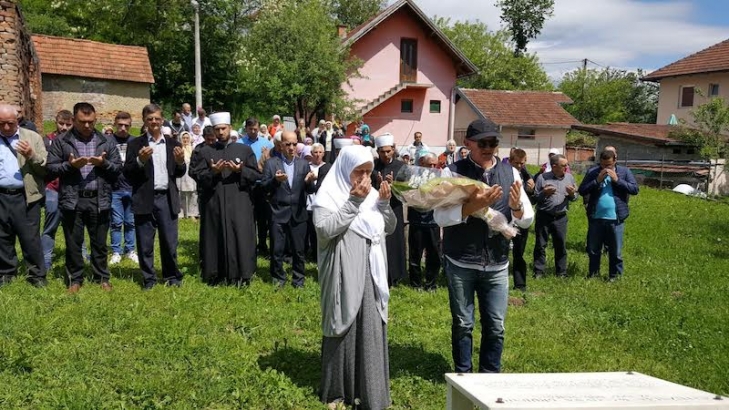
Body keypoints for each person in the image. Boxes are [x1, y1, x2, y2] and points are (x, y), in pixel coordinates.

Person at [434, 118, 533, 373]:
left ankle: (490, 378)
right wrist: (471, 207)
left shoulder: (510, 172)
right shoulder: (452, 172)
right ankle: (463, 376)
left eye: (493, 142)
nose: (489, 147)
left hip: (497, 263)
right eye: (483, 142)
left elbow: (526, 219)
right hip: (461, 261)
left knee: (496, 326)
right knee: (463, 324)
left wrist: (516, 208)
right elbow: (440, 217)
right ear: (468, 143)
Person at [314, 145, 396, 410]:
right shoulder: (330, 195)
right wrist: (353, 202)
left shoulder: (372, 195)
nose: (364, 178)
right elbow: (325, 229)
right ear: (344, 169)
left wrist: (383, 204)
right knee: (342, 321)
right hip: (343, 270)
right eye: (358, 171)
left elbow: (390, 227)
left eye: (368, 172)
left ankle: (369, 389)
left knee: (370, 325)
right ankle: (337, 391)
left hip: (372, 271)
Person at [46, 102, 122, 293]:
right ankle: (75, 279)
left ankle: (102, 277)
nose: (87, 125)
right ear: (74, 120)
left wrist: (103, 163)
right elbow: (51, 168)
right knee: (73, 242)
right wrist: (71, 166)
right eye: (82, 122)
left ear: (95, 119)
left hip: (99, 198)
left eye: (90, 121)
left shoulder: (106, 141)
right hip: (73, 199)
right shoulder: (62, 141)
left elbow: (118, 169)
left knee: (99, 242)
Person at [190, 112, 261, 286]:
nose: (221, 132)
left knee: (240, 235)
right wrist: (213, 172)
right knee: (215, 235)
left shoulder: (244, 150)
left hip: (239, 202)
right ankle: (216, 274)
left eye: (223, 128)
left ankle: (243, 274)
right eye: (217, 129)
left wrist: (240, 171)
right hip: (214, 202)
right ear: (213, 131)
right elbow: (197, 175)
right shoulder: (205, 151)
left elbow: (255, 175)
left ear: (230, 128)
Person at [123, 103, 187, 289]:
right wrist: (139, 161)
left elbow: (180, 172)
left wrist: (181, 161)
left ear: (162, 120)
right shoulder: (135, 144)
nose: (154, 122)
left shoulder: (173, 144)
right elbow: (127, 173)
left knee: (169, 242)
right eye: (150, 119)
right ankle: (149, 279)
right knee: (145, 243)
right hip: (144, 198)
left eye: (157, 118)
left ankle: (172, 277)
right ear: (144, 121)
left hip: (166, 198)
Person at [262, 131, 317, 288]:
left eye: (294, 144)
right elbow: (263, 187)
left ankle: (298, 279)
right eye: (288, 144)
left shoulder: (303, 164)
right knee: (277, 249)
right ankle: (278, 278)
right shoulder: (271, 164)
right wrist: (275, 181)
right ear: (280, 145)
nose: (292, 148)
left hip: (298, 213)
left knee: (299, 250)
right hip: (278, 212)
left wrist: (309, 182)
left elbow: (311, 189)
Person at [0, 104, 47, 287]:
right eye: (1, 123)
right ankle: (5, 273)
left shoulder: (32, 137)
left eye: (9, 123)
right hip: (1, 196)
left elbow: (44, 168)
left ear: (17, 120)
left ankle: (36, 276)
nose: (5, 128)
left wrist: (31, 155)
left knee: (30, 238)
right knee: (2, 237)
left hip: (26, 196)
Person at [579, 149, 639, 281]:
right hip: (596, 217)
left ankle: (615, 276)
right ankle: (593, 274)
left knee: (615, 251)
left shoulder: (624, 172)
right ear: (600, 162)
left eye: (609, 165)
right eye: (603, 165)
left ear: (615, 161)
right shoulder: (593, 172)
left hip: (616, 218)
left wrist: (617, 180)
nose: (606, 168)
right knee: (594, 250)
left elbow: (634, 189)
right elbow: (582, 190)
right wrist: (597, 180)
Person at [533, 154, 577, 279]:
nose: (566, 167)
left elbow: (575, 197)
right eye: (564, 165)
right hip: (544, 216)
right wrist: (544, 193)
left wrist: (572, 194)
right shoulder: (542, 178)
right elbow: (535, 198)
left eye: (566, 165)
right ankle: (539, 271)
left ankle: (561, 272)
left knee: (560, 245)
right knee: (540, 245)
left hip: (561, 217)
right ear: (554, 166)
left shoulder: (570, 178)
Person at [371, 133, 407, 287]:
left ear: (393, 149)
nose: (385, 155)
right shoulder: (372, 166)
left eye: (388, 151)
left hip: (395, 208)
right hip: (376, 210)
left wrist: (395, 184)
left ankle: (396, 275)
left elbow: (406, 192)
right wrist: (377, 184)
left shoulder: (401, 167)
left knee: (394, 241)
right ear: (377, 152)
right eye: (382, 152)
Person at [41, 109, 73, 271]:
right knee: (51, 223)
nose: (65, 127)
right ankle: (45, 258)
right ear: (56, 122)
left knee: (75, 225)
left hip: (72, 189)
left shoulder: (76, 140)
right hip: (52, 188)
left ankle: (79, 255)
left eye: (68, 124)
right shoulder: (47, 140)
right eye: (62, 123)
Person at [239, 117, 275, 256]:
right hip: (246, 184)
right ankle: (249, 244)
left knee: (262, 217)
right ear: (246, 129)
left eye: (256, 129)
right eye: (251, 129)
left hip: (261, 185)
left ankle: (262, 244)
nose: (253, 132)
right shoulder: (240, 143)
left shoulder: (267, 143)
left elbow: (271, 163)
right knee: (248, 216)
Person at [408, 152, 442, 290]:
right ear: (422, 164)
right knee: (415, 255)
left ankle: (431, 284)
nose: (432, 167)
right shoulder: (414, 177)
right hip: (417, 221)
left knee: (434, 254)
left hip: (433, 221)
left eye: (435, 164)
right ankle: (415, 284)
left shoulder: (440, 178)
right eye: (430, 164)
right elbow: (408, 195)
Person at [109, 111, 138, 265]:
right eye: (120, 125)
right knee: (115, 222)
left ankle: (130, 250)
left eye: (126, 125)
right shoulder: (107, 140)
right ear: (115, 124)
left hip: (132, 187)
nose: (122, 128)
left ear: (130, 126)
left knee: (131, 221)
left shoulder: (135, 141)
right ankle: (115, 251)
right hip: (114, 188)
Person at [507, 148, 534, 291]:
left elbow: (530, 198)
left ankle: (520, 284)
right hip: (507, 216)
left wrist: (531, 190)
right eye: (516, 163)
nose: (519, 166)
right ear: (510, 160)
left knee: (519, 253)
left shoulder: (525, 173)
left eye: (521, 163)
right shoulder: (504, 173)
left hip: (521, 217)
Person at [305, 143, 330, 259]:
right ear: (311, 154)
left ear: (324, 154)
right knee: (308, 229)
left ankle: (317, 253)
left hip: (322, 203)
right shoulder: (306, 166)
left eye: (320, 152)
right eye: (315, 152)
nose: (318, 155)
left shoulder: (328, 167)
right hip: (308, 203)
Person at [177, 131, 198, 219]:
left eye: (187, 138)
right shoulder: (178, 149)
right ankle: (181, 213)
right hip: (181, 174)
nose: (185, 140)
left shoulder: (193, 149)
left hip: (190, 173)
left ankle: (192, 213)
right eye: (183, 138)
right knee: (181, 193)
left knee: (192, 193)